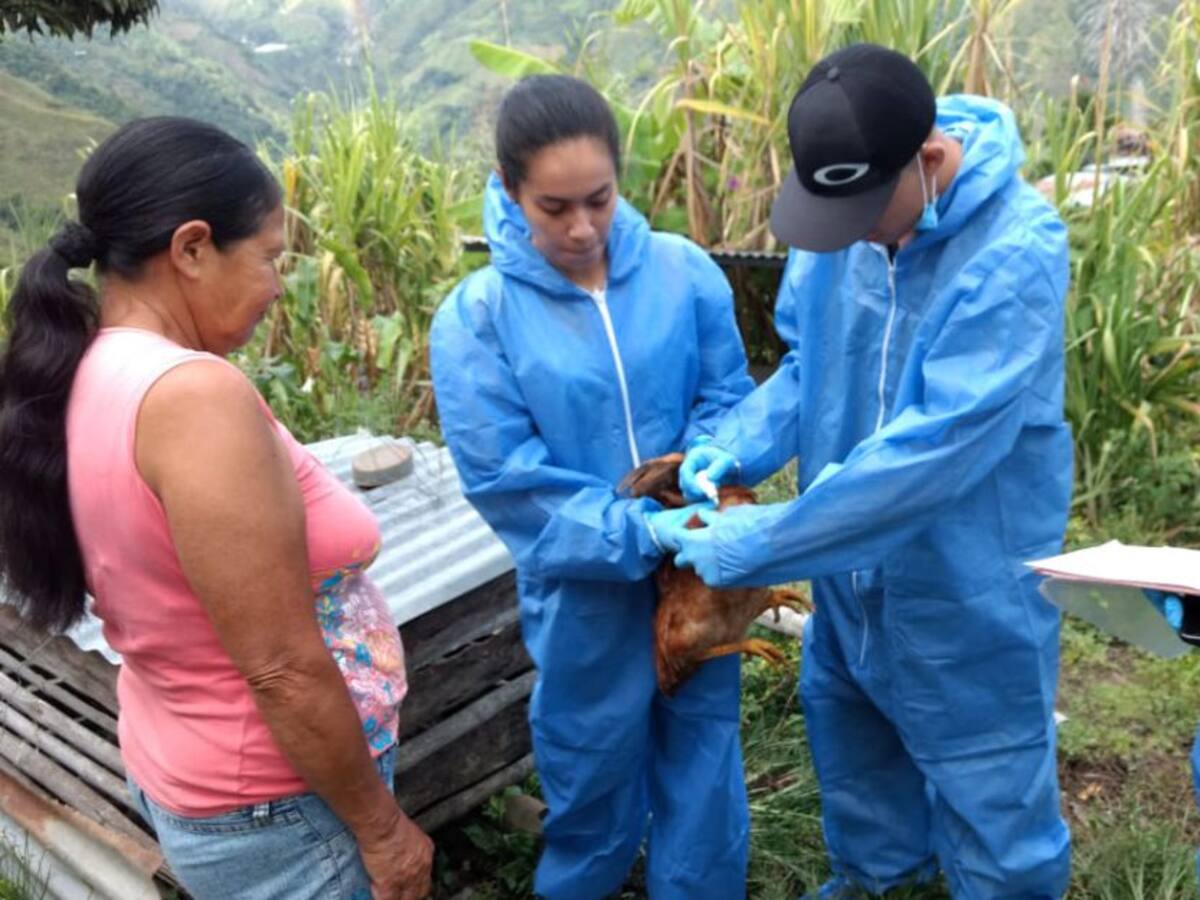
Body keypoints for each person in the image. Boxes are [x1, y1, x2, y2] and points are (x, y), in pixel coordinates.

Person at [653, 44, 1075, 898]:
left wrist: (762, 542)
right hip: (846, 577)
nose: (847, 235)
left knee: (992, 797)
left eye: (865, 209)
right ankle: (880, 881)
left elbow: (932, 454)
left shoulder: (1013, 255)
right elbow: (811, 368)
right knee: (858, 762)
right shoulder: (849, 224)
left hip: (964, 590)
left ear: (926, 160)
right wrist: (737, 445)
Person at [0, 117, 433, 900]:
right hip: (279, 807)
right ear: (192, 248)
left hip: (203, 771)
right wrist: (382, 830)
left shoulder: (91, 368)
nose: (276, 286)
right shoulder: (193, 396)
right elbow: (281, 668)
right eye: (269, 256)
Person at [430, 74, 756, 899]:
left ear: (621, 179)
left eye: (599, 200)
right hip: (582, 592)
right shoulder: (480, 319)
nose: (582, 228)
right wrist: (637, 530)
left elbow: (727, 397)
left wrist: (713, 462)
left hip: (700, 575)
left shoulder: (685, 274)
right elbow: (508, 481)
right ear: (510, 191)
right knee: (591, 780)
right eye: (553, 207)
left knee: (705, 769)